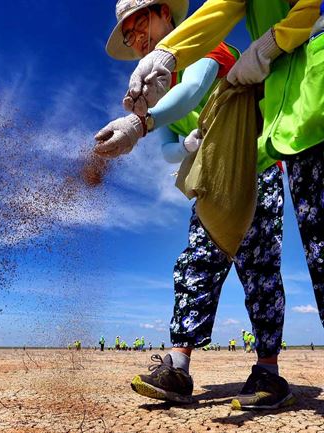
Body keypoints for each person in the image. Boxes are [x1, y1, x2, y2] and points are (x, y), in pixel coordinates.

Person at [120, 0, 323, 409]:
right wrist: (182, 142)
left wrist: (146, 120)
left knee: (260, 265)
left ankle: (268, 370)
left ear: (164, 13)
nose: (136, 36)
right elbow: (166, 152)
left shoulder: (205, 50)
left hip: (255, 160)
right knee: (198, 260)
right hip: (212, 175)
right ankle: (177, 367)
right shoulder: (152, 83)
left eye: (139, 22)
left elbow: (193, 90)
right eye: (127, 33)